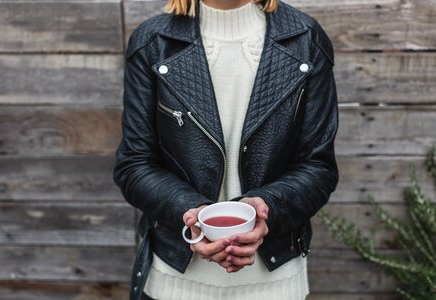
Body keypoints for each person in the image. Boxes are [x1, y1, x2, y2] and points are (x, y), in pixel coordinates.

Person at [113, 0, 339, 299]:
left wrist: (265, 210)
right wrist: (191, 213)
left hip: (275, 282)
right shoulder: (153, 42)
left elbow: (318, 166)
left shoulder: (305, 38)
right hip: (174, 280)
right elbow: (134, 165)